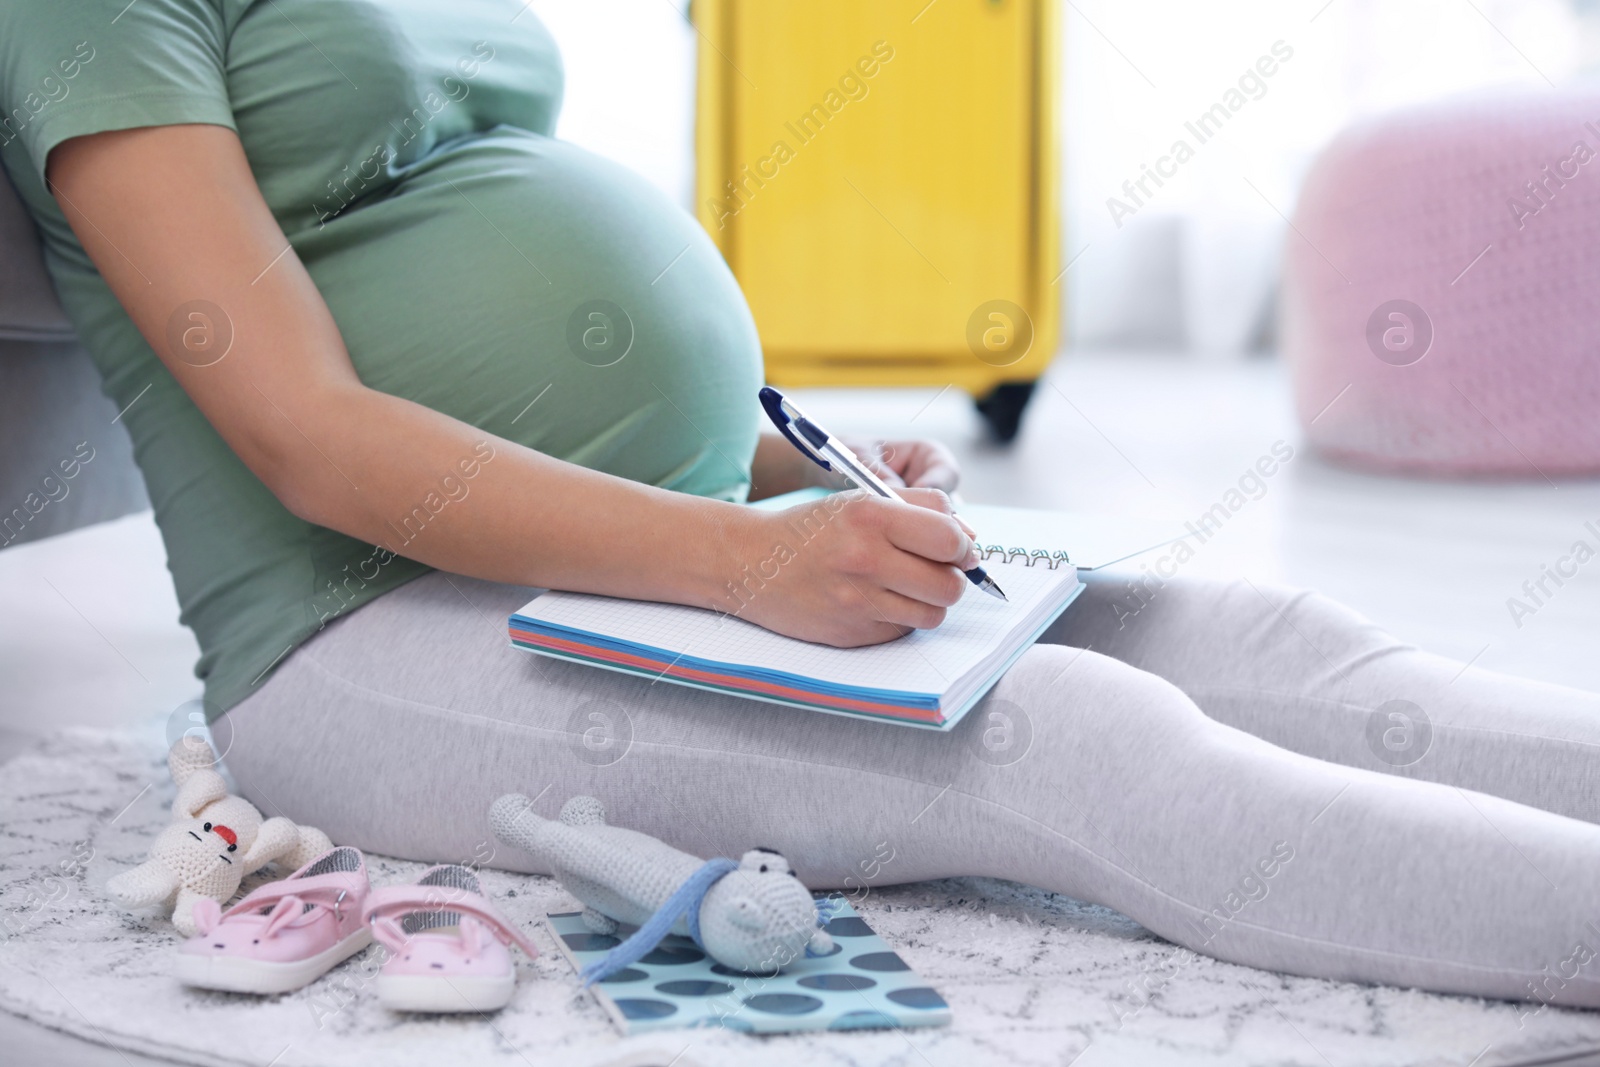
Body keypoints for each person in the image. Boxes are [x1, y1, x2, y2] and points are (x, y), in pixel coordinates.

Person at [6, 0, 1600, 1011]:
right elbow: (309, 434)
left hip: (629, 542)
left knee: (1258, 637)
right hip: (360, 638)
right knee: (1072, 737)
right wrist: (741, 565)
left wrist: (803, 479)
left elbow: (485, 318)